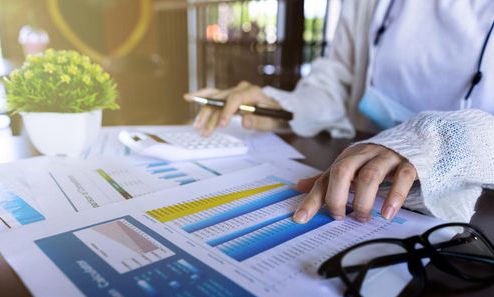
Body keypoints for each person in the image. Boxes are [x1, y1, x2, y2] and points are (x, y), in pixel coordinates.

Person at [184, 0, 494, 224]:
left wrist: (425, 143)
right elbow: (337, 80)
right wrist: (281, 107)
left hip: (479, 206)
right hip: (363, 174)